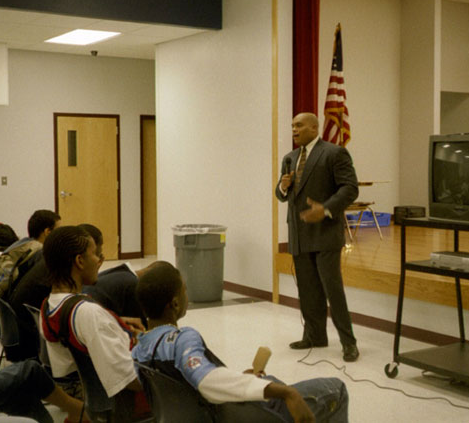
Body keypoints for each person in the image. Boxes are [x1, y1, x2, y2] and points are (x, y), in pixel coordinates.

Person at [131, 261, 349, 422]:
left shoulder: (140, 349)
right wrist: (286, 394)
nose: (187, 294)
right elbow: (205, 381)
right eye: (184, 290)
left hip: (204, 413)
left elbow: (192, 381)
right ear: (175, 304)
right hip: (234, 415)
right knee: (336, 389)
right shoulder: (182, 339)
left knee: (269, 378)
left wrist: (236, 379)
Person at [275, 112, 360, 362]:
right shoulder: (289, 159)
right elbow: (281, 195)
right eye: (292, 125)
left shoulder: (334, 153)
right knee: (308, 290)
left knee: (332, 290)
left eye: (299, 125)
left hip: (325, 233)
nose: (294, 129)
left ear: (314, 127)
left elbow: (350, 188)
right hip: (299, 234)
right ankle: (314, 336)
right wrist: (283, 186)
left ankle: (348, 342)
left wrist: (325, 209)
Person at [40, 226, 149, 420]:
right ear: (79, 261)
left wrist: (115, 322)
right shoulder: (88, 314)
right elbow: (129, 379)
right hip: (124, 404)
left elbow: (81, 333)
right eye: (94, 255)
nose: (99, 261)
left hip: (94, 398)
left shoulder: (50, 304)